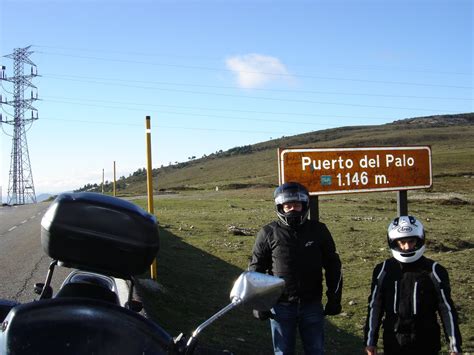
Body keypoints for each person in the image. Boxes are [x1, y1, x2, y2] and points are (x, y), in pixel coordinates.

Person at [249, 182, 343, 355]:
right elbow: (256, 269)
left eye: (297, 205)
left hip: (312, 304)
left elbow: (333, 265)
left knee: (316, 351)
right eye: (288, 206)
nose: (292, 209)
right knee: (283, 352)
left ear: (304, 206)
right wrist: (259, 303)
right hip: (280, 305)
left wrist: (334, 298)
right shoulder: (268, 232)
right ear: (280, 207)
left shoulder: (318, 230)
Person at [364, 216, 463, 355]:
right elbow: (375, 306)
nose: (407, 247)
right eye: (402, 242)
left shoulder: (434, 270)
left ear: (420, 240)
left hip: (426, 344)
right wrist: (370, 341)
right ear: (393, 242)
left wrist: (454, 346)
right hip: (394, 343)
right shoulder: (383, 270)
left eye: (411, 241)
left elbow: (446, 309)